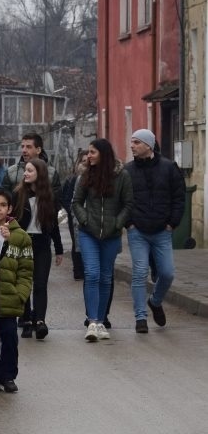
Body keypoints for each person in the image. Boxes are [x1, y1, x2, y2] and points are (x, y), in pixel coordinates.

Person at [124, 129, 185, 334]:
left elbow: (179, 197)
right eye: (131, 142)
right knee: (140, 272)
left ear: (148, 145)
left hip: (162, 231)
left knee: (167, 273)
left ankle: (155, 301)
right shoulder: (128, 171)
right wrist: (129, 223)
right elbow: (123, 199)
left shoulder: (169, 168)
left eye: (136, 142)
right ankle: (140, 317)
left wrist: (172, 223)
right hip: (137, 230)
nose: (131, 145)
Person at [72, 139, 133, 342]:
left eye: (92, 152)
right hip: (88, 233)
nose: (88, 156)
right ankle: (92, 321)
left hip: (111, 235)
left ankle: (100, 321)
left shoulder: (122, 176)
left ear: (103, 154)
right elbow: (76, 202)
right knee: (92, 273)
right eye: (88, 152)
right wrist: (85, 220)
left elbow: (128, 204)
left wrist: (117, 223)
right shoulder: (86, 175)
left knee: (106, 277)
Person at [0, 189, 33, 394]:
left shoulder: (21, 237)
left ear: (9, 208)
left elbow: (26, 270)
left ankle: (8, 376)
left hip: (10, 300)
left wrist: (20, 294)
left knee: (10, 339)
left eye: (3, 205)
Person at [13, 158, 63, 339]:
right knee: (24, 284)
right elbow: (12, 220)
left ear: (39, 174)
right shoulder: (18, 194)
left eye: (29, 171)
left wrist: (59, 249)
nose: (25, 173)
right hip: (24, 243)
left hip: (42, 244)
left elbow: (54, 225)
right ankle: (26, 320)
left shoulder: (49, 197)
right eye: (25, 170)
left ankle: (40, 320)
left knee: (41, 284)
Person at [2, 133, 62, 206]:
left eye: (28, 147)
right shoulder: (11, 172)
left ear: (38, 150)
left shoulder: (51, 173)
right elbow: (3, 199)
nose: (24, 150)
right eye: (22, 146)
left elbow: (57, 202)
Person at [61, 150, 89, 280]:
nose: (86, 163)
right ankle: (78, 270)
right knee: (76, 242)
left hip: (91, 216)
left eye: (87, 160)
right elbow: (65, 197)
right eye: (83, 161)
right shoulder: (72, 179)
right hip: (75, 216)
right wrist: (72, 211)